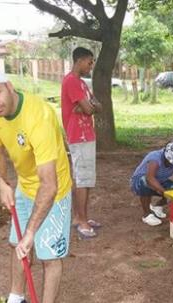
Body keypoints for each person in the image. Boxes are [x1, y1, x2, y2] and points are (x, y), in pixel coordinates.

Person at [0, 65, 73, 303]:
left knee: (47, 255)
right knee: (17, 245)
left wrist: (32, 232)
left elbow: (49, 185)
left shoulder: (38, 116)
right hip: (26, 187)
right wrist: (3, 184)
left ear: (9, 86)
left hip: (54, 191)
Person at [61, 47, 103, 239]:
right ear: (79, 61)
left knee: (86, 178)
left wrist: (87, 107)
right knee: (82, 179)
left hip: (86, 135)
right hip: (78, 136)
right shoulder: (71, 81)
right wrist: (86, 107)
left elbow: (97, 106)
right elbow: (89, 108)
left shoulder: (82, 84)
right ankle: (82, 221)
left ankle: (80, 217)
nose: (91, 66)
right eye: (89, 62)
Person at [130, 142, 173, 226]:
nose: (172, 162)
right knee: (145, 183)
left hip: (160, 180)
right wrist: (164, 192)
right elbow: (150, 178)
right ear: (165, 154)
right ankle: (147, 214)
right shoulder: (155, 158)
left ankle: (157, 207)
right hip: (139, 181)